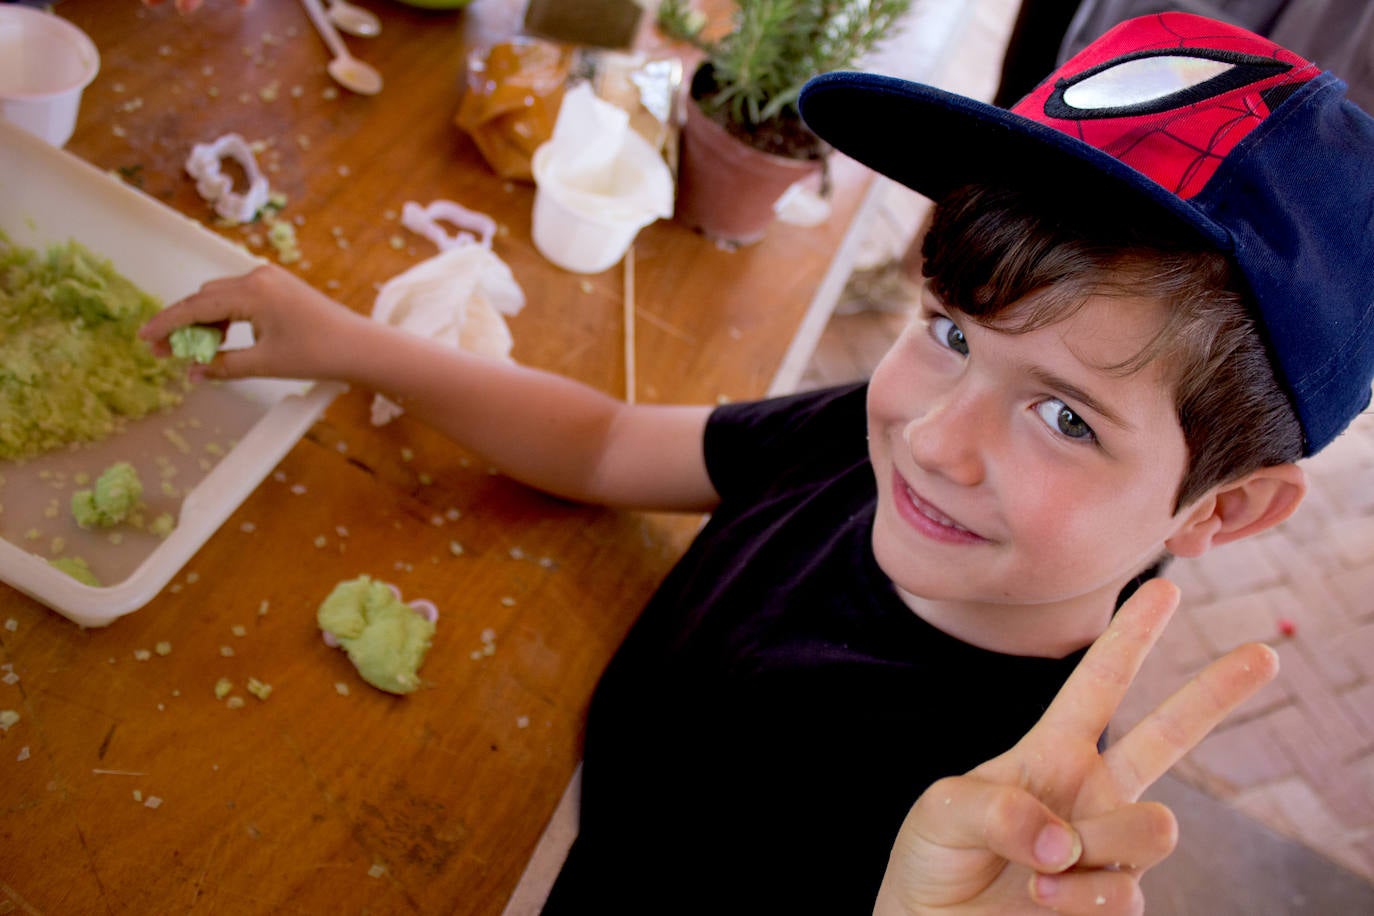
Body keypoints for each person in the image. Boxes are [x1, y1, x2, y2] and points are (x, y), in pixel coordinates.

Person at [140, 12, 1374, 914]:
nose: (937, 439)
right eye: (949, 330)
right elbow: (612, 439)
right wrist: (358, 343)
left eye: (1066, 418)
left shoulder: (995, 824)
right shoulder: (873, 441)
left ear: (1230, 507)